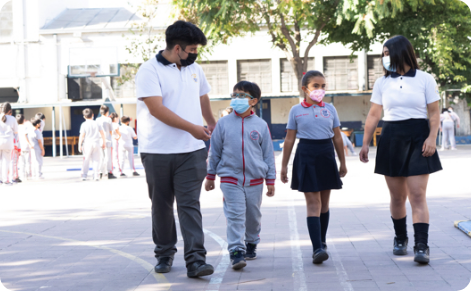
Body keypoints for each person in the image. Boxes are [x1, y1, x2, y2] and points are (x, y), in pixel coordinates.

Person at [135, 20, 216, 278]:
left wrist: (212, 124)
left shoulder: (196, 70)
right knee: (161, 205)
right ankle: (164, 253)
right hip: (157, 150)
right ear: (178, 48)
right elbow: (156, 109)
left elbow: (203, 96)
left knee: (189, 204)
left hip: (191, 151)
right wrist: (192, 127)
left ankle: (196, 260)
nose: (196, 53)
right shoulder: (149, 70)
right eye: (192, 49)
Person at [359, 35, 442, 264]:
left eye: (387, 53)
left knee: (417, 194)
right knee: (397, 197)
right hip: (392, 137)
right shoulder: (382, 83)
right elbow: (375, 114)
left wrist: (432, 138)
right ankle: (400, 238)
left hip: (419, 136)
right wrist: (365, 142)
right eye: (383, 54)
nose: (384, 58)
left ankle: (422, 246)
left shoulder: (425, 79)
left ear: (400, 53)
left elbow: (434, 113)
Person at [205, 81, 276, 270]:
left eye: (241, 96)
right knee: (235, 215)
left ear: (253, 101)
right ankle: (236, 250)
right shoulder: (223, 123)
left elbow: (268, 154)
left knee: (253, 216)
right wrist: (211, 175)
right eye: (234, 95)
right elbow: (215, 151)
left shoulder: (261, 125)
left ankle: (252, 241)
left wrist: (270, 180)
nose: (236, 99)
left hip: (255, 180)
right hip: (230, 178)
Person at [281, 70, 347, 264]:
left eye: (323, 86)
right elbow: (289, 138)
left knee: (324, 204)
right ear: (305, 89)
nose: (320, 90)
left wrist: (342, 161)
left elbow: (336, 136)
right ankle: (317, 248)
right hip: (306, 154)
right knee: (313, 203)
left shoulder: (330, 109)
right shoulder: (296, 110)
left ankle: (322, 241)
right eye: (315, 86)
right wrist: (284, 165)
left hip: (326, 154)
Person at [78, 108, 106, 181]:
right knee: (96, 160)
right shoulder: (97, 123)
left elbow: (82, 135)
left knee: (86, 159)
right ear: (93, 115)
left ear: (84, 116)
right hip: (96, 143)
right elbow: (102, 133)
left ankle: (84, 175)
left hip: (87, 143)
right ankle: (96, 176)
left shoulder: (83, 124)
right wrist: (104, 142)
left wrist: (79, 144)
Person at [96, 105, 117, 179]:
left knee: (101, 157)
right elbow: (111, 131)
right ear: (107, 112)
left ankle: (101, 173)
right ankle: (109, 173)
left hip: (99, 140)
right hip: (107, 140)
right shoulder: (109, 120)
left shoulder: (97, 119)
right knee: (108, 158)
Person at [0, 103, 19, 184]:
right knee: (6, 161)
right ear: (9, 110)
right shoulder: (12, 118)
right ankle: (5, 180)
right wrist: (16, 143)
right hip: (8, 142)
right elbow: (16, 132)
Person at [17, 114, 32, 181]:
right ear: (23, 120)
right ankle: (28, 175)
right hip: (26, 146)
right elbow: (26, 136)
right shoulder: (25, 127)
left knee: (21, 163)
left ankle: (22, 175)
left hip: (19, 147)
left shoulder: (16, 127)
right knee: (27, 162)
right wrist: (29, 144)